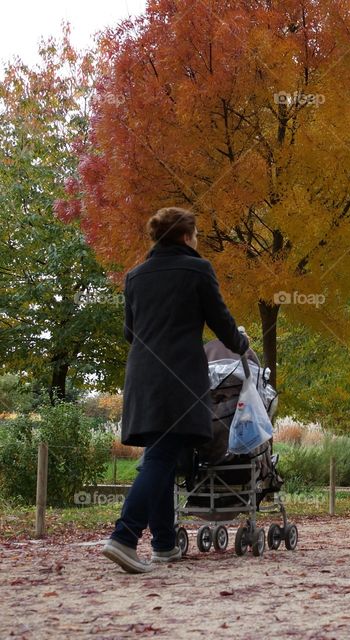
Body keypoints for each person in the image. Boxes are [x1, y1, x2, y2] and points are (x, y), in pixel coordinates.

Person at [103, 207, 250, 574]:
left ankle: (165, 545)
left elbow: (130, 332)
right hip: (179, 378)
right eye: (196, 234)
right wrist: (241, 341)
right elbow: (221, 322)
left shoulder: (135, 277)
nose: (197, 240)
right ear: (186, 237)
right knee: (161, 456)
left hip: (143, 376)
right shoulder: (197, 270)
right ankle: (124, 536)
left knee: (163, 455)